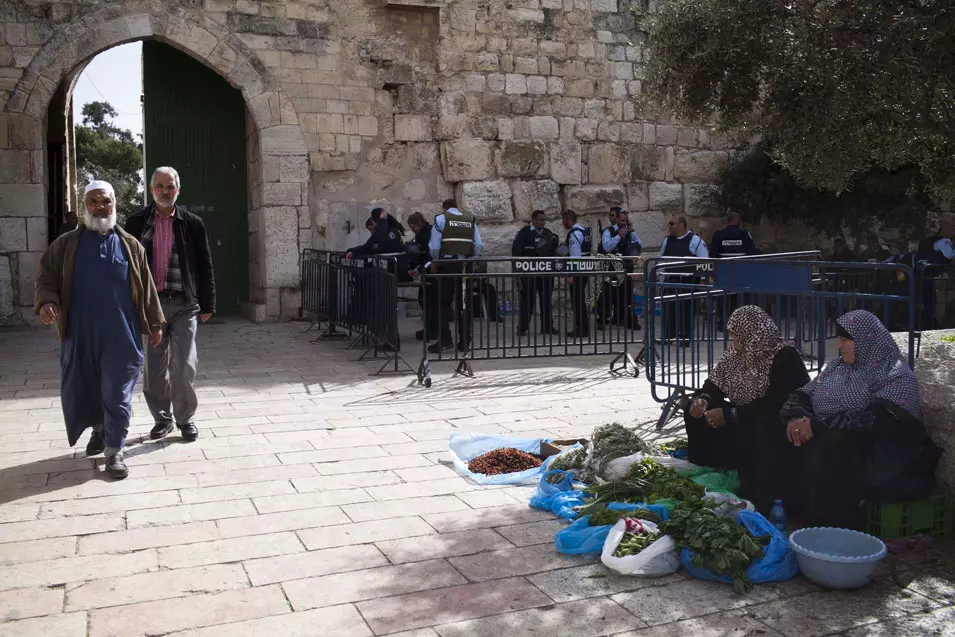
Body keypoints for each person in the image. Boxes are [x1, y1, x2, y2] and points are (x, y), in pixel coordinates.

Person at [35, 181, 164, 479]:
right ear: (85, 206)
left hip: (122, 334)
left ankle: (115, 450)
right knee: (87, 388)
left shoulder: (131, 246)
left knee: (117, 392)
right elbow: (45, 278)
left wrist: (154, 321)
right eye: (93, 201)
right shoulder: (65, 245)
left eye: (105, 201)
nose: (99, 206)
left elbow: (146, 290)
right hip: (80, 335)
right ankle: (100, 428)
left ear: (114, 203)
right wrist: (46, 303)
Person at [771, 310, 940, 529]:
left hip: (876, 453)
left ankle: (827, 526)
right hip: (826, 433)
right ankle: (781, 506)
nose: (839, 346)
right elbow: (803, 393)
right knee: (771, 426)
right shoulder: (837, 367)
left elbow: (873, 420)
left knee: (838, 443)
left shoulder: (895, 374)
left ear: (865, 341)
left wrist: (817, 427)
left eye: (844, 340)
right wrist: (797, 417)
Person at [125, 167, 215, 443]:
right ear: (151, 190)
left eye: (170, 186)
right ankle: (162, 419)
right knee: (154, 367)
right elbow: (126, 265)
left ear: (178, 189)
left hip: (185, 303)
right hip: (151, 306)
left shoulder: (192, 223)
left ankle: (185, 418)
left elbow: (204, 264)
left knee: (184, 364)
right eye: (160, 186)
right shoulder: (137, 222)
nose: (165, 191)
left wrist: (208, 301)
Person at [685, 306, 810, 497]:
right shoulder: (735, 354)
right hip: (742, 414)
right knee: (692, 410)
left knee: (761, 426)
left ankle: (753, 489)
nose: (732, 340)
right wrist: (703, 400)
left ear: (749, 334)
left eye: (735, 335)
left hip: (770, 418)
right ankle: (705, 468)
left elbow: (776, 402)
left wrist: (730, 415)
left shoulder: (784, 356)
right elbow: (714, 384)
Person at [426, 198, 483, 352]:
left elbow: (434, 247)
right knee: (464, 304)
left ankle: (445, 340)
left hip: (447, 266)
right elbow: (478, 244)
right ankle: (465, 342)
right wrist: (473, 260)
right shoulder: (470, 220)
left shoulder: (440, 219)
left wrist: (436, 262)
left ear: (444, 208)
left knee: (443, 303)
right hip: (466, 267)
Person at [659, 215, 708, 343]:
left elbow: (704, 260)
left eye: (672, 223)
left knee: (686, 310)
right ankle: (668, 336)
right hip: (670, 280)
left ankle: (685, 337)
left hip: (687, 281)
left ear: (681, 225)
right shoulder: (667, 241)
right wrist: (660, 279)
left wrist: (702, 279)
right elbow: (661, 260)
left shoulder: (695, 241)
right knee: (669, 309)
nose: (669, 226)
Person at [512, 210, 560, 336]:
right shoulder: (525, 233)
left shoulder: (548, 233)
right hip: (528, 273)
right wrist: (517, 271)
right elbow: (516, 252)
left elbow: (554, 251)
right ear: (533, 220)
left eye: (544, 219)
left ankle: (547, 326)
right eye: (540, 219)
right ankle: (522, 328)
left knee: (546, 300)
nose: (543, 222)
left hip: (545, 272)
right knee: (527, 300)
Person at [599, 209, 642, 330]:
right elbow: (606, 247)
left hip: (626, 266)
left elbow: (638, 243)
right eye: (622, 220)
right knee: (608, 294)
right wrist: (618, 236)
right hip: (612, 267)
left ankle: (628, 320)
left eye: (626, 220)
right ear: (617, 219)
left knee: (627, 293)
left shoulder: (629, 231)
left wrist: (631, 231)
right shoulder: (609, 231)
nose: (624, 223)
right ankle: (603, 319)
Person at [562, 209, 592, 337]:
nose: (563, 223)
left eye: (564, 220)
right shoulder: (584, 231)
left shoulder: (574, 234)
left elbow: (575, 256)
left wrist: (571, 275)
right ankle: (583, 328)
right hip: (585, 269)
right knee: (580, 301)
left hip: (578, 271)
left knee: (577, 302)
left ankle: (581, 329)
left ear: (568, 220)